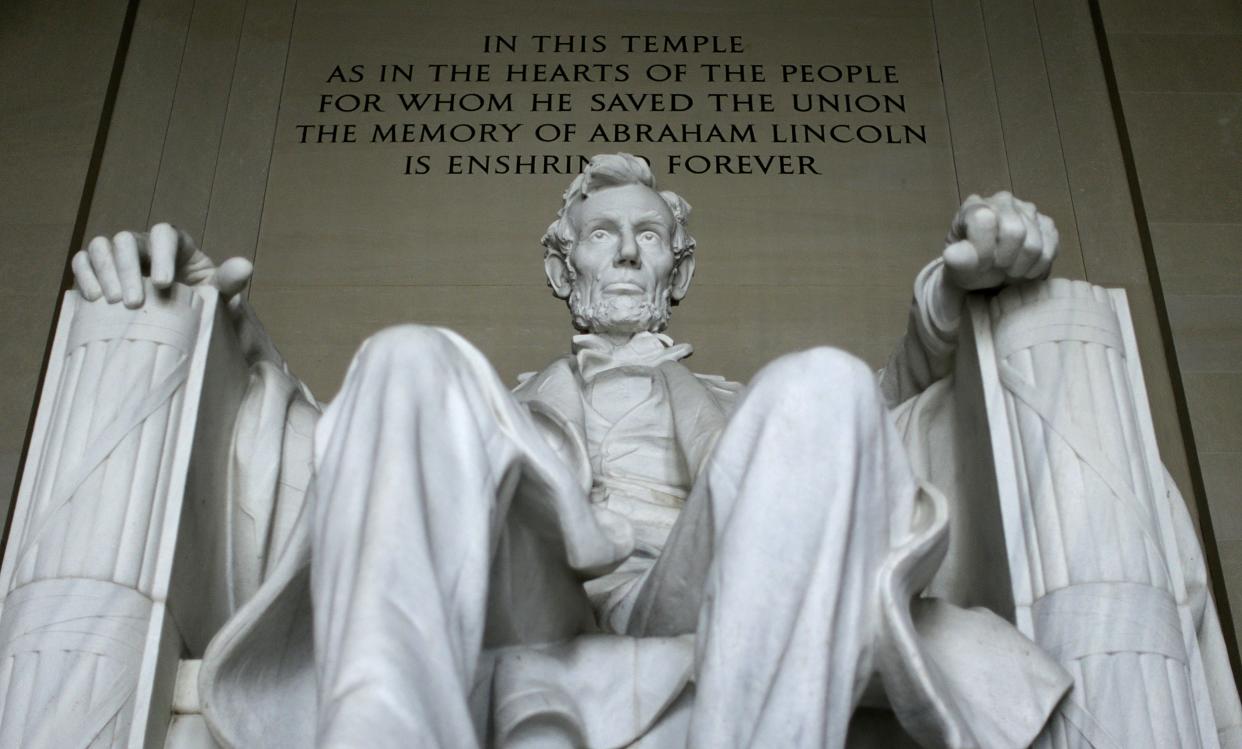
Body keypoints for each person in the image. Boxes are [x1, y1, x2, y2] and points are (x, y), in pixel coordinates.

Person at [72, 154, 1069, 748]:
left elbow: (888, 430)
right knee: (409, 358)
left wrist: (951, 300)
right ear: (565, 261)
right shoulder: (484, 407)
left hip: (699, 572)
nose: (628, 252)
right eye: (603, 235)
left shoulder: (743, 407)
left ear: (679, 267)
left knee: (825, 382)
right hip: (538, 577)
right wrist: (215, 322)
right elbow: (334, 454)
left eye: (648, 237)